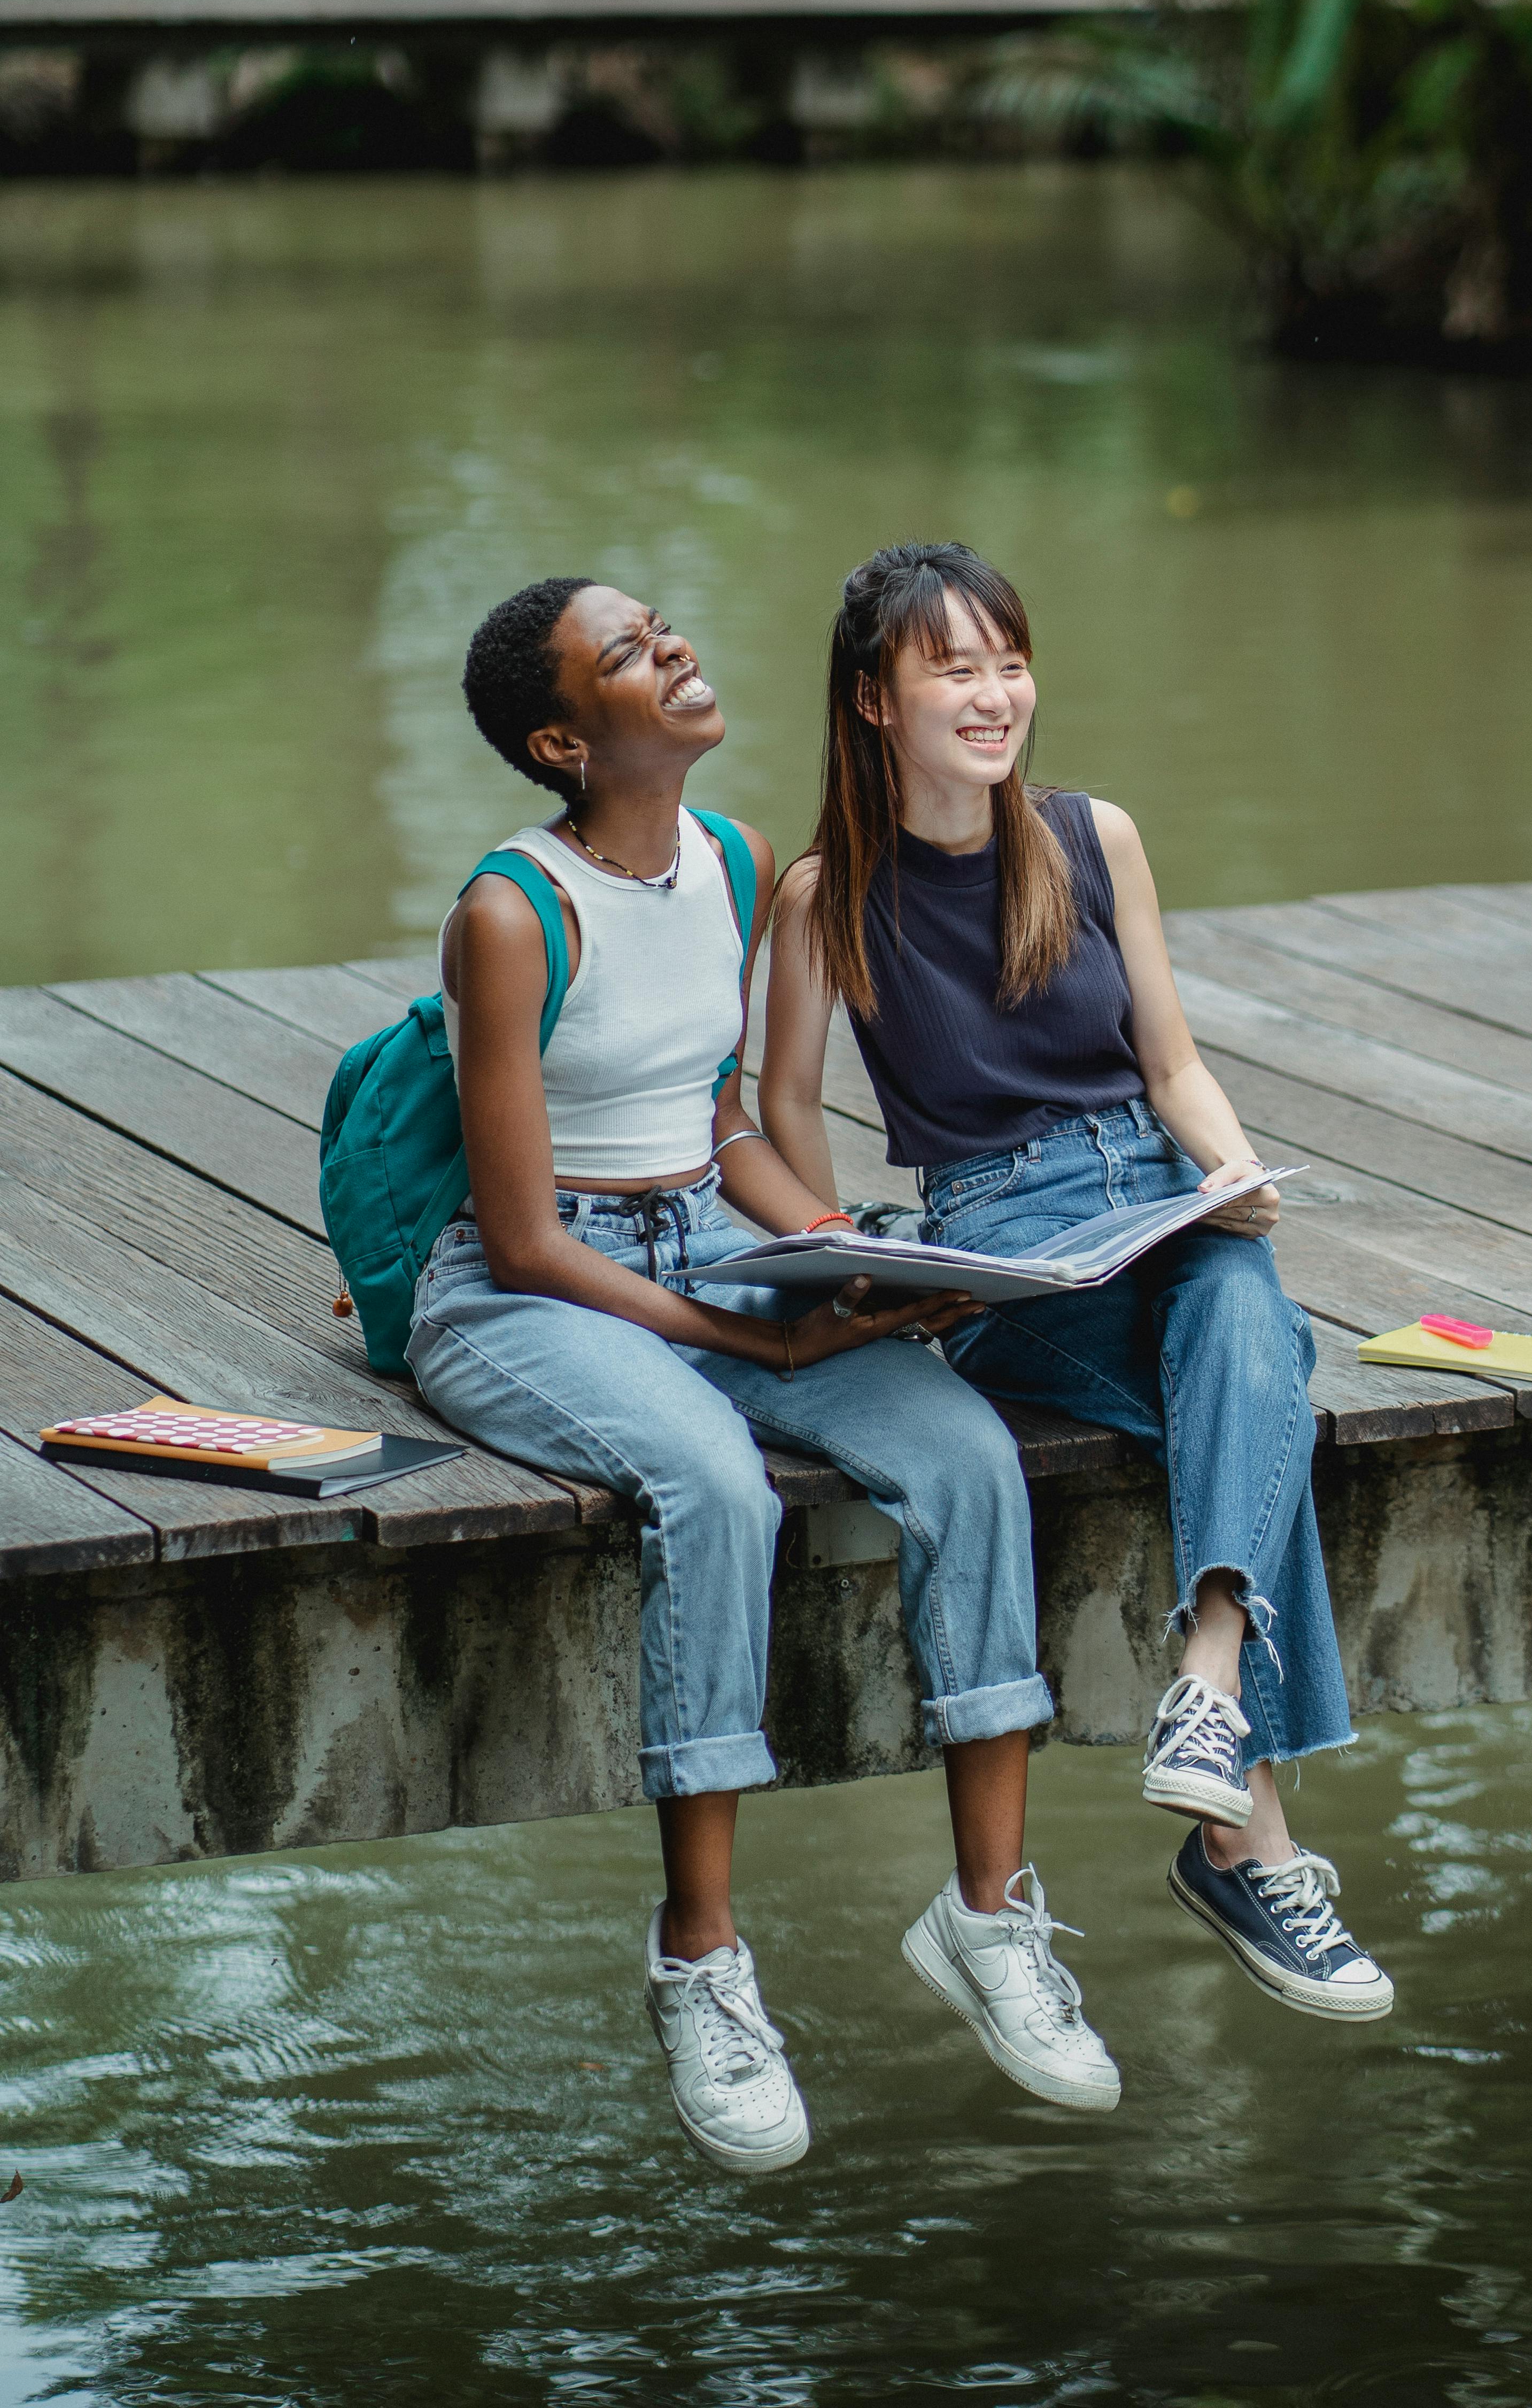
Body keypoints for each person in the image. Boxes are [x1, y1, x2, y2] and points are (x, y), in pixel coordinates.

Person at [406, 576, 1118, 2179]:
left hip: (707, 1249)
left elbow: (719, 1118)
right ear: (561, 736)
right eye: (630, 656)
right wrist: (750, 1341)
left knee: (966, 1456)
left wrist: (839, 1253)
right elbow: (521, 1237)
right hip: (536, 1292)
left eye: (665, 630)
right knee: (718, 1483)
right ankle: (702, 1961)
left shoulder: (733, 863)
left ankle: (993, 1918)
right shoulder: (511, 915)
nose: (678, 654)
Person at [760, 540, 1394, 2024]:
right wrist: (846, 1266)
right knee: (1264, 1370)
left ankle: (1214, 1683)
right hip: (1001, 1253)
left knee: (1249, 1300)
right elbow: (783, 1109)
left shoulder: (1093, 838)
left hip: (1154, 1203)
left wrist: (1238, 1178)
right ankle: (1244, 1840)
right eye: (954, 669)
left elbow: (1171, 1065)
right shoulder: (821, 895)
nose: (996, 696)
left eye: (1010, 661)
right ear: (873, 699)